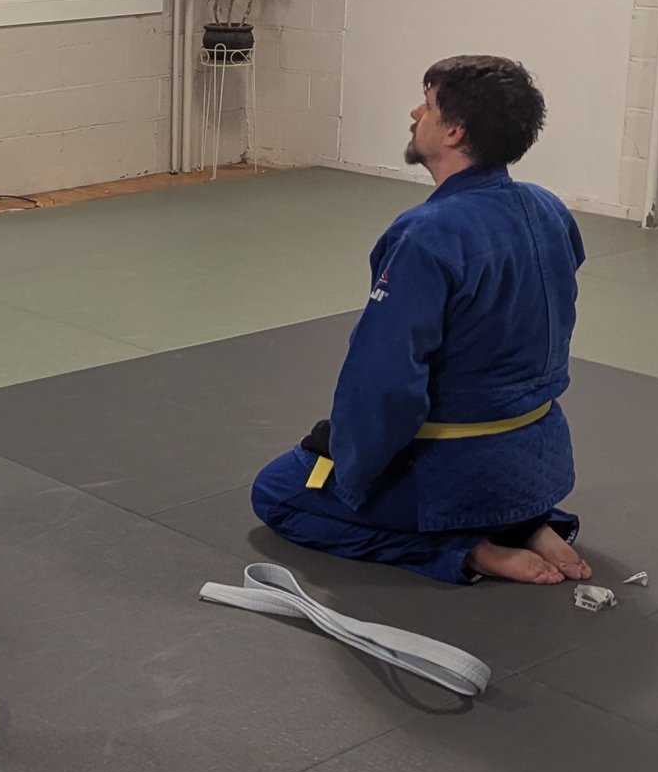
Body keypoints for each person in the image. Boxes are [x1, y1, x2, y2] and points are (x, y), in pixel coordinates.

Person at [251, 55, 593, 586]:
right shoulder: (548, 209)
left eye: (428, 105)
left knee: (277, 492)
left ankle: (466, 550)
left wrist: (349, 460)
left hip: (458, 472)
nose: (415, 113)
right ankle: (525, 522)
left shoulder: (426, 235)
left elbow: (384, 383)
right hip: (538, 462)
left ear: (454, 131)